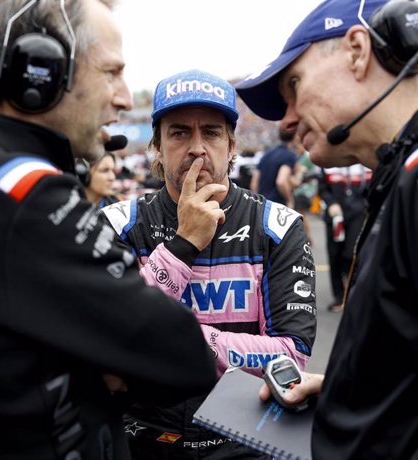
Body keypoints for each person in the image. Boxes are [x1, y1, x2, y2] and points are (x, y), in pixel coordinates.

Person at [0, 1, 216, 459]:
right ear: (38, 69)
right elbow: (181, 356)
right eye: (111, 72)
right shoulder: (23, 193)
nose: (125, 98)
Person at [236, 0, 418, 458]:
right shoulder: (417, 165)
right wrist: (350, 391)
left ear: (357, 50)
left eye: (294, 86)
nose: (287, 119)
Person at [101, 69, 317, 459]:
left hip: (245, 440)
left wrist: (178, 340)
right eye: (180, 132)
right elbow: (109, 344)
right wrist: (183, 245)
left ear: (232, 145)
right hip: (142, 439)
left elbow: (292, 356)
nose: (197, 147)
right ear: (157, 145)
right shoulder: (117, 223)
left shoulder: (277, 226)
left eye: (212, 133)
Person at [317, 164, 371, 311]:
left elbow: (372, 188)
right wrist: (331, 203)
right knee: (334, 256)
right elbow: (322, 188)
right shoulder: (328, 164)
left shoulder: (364, 164)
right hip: (334, 216)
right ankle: (339, 297)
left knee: (352, 253)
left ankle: (354, 293)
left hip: (358, 214)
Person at [250, 128, 298, 207]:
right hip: (278, 205)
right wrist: (290, 200)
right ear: (295, 136)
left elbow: (254, 182)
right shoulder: (289, 155)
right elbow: (281, 182)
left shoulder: (267, 154)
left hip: (263, 203)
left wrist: (257, 203)